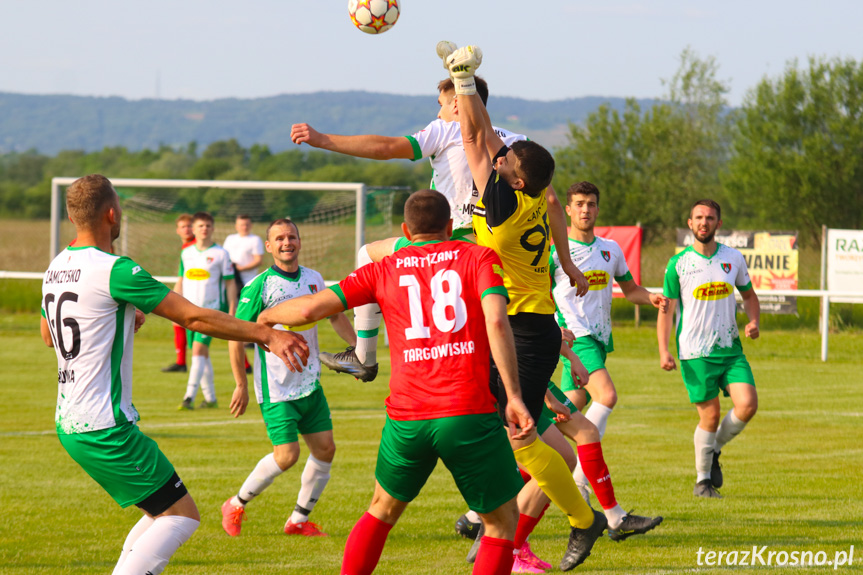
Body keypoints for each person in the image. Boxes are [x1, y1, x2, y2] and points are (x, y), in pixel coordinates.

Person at [40, 174, 309, 575]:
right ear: (113, 214)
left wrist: (118, 319)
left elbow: (49, 336)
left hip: (71, 420)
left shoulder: (56, 266)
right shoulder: (117, 270)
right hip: (103, 425)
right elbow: (195, 317)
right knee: (182, 516)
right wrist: (265, 333)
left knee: (158, 512)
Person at [258, 190, 534, 575]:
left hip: (407, 418)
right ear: (450, 227)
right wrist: (515, 395)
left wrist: (266, 318)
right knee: (502, 523)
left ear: (405, 230)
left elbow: (307, 309)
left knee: (381, 511)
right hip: (467, 411)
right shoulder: (477, 256)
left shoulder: (385, 268)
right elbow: (497, 321)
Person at [290, 73, 588, 382]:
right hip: (496, 257)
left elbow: (387, 147)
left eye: (442, 104)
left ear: (458, 103)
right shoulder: (516, 145)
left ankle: (364, 355)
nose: (438, 113)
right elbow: (552, 202)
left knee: (368, 254)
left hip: (447, 245)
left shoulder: (446, 131)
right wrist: (566, 263)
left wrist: (322, 140)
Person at [446, 44, 604, 572]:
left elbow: (473, 138)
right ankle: (529, 521)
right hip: (526, 326)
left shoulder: (501, 205)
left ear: (513, 178)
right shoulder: (531, 191)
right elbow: (488, 138)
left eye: (508, 158)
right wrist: (466, 78)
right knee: (525, 432)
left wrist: (463, 82)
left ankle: (584, 520)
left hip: (520, 331)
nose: (502, 153)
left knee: (521, 435)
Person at [220, 218, 357, 538]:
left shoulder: (314, 279)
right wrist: (241, 383)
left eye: (291, 237)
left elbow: (335, 315)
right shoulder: (260, 286)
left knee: (325, 449)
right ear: (268, 247)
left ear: (300, 241)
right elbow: (234, 335)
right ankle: (236, 503)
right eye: (279, 238)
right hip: (276, 387)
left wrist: (358, 351)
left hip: (310, 382)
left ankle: (298, 520)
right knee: (287, 455)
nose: (286, 242)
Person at [551, 182, 668, 508]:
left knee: (556, 420)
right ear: (569, 210)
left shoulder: (611, 249)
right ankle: (581, 482)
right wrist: (554, 329)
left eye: (591, 203)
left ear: (598, 209)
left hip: (599, 341)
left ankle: (479, 511)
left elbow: (630, 290)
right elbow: (538, 296)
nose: (585, 209)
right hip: (576, 338)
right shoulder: (554, 252)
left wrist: (652, 297)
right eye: (579, 204)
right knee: (607, 395)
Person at [657, 199, 760, 498]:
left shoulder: (733, 258)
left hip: (730, 348)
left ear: (719, 224)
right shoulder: (678, 264)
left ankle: (713, 449)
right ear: (690, 224)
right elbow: (667, 309)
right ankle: (703, 481)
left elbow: (750, 296)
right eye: (698, 217)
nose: (704, 222)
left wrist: (753, 321)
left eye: (710, 218)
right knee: (711, 416)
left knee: (748, 405)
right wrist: (664, 350)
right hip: (695, 352)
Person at [175, 212, 237, 410]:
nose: (204, 229)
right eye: (200, 226)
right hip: (187, 310)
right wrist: (173, 309)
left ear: (213, 228)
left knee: (199, 350)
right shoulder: (186, 253)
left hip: (211, 310)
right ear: (194, 229)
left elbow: (230, 284)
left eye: (208, 225)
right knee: (200, 354)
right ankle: (210, 399)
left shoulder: (221, 254)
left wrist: (233, 308)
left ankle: (189, 397)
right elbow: (181, 280)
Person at [223, 213, 265, 373]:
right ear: (236, 225)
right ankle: (242, 340)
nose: (244, 227)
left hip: (248, 282)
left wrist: (239, 268)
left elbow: (258, 260)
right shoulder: (230, 239)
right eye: (241, 224)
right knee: (234, 313)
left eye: (247, 224)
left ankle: (251, 339)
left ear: (250, 225)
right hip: (232, 280)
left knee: (249, 314)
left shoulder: (254, 240)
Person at [162, 213, 195, 373]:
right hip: (189, 289)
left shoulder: (196, 246)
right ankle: (181, 362)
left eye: (189, 226)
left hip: (202, 291)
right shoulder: (186, 248)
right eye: (183, 227)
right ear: (177, 230)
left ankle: (182, 362)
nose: (187, 229)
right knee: (177, 322)